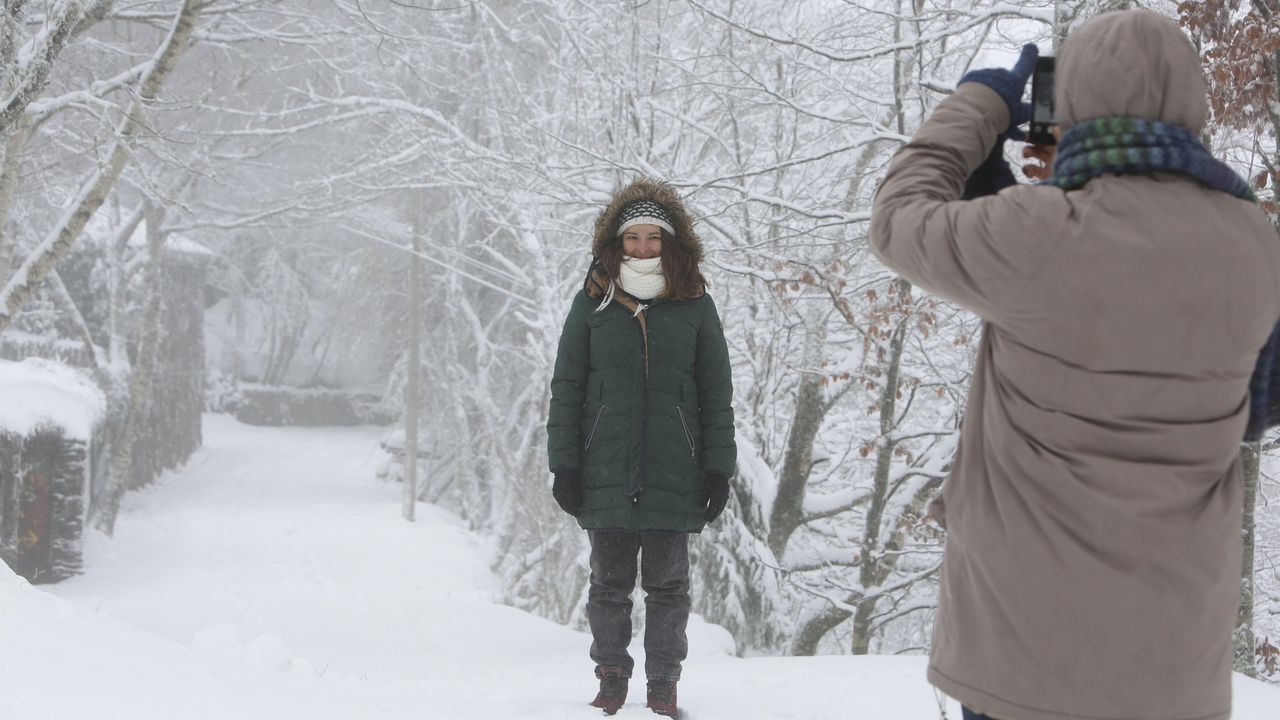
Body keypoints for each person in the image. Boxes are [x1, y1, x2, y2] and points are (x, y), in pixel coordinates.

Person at [868, 10, 1280, 720]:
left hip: (1022, 663)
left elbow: (898, 216)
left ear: (1074, 103)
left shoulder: (1035, 235)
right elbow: (1242, 396)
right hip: (1173, 671)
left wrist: (983, 100)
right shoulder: (1254, 240)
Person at [546, 177, 736, 717]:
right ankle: (610, 681)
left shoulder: (696, 305)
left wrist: (718, 468)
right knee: (608, 586)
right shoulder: (591, 305)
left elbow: (716, 394)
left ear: (671, 243)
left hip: (676, 472)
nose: (644, 248)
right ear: (617, 242)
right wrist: (565, 464)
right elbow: (568, 387)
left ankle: (663, 688)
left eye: (655, 237)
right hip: (603, 468)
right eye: (634, 238)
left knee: (669, 589)